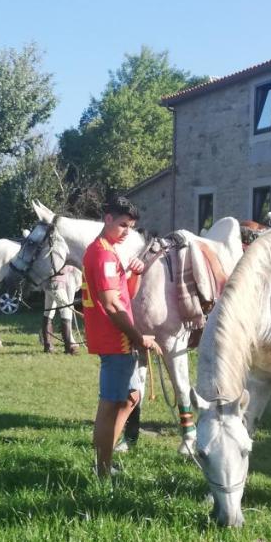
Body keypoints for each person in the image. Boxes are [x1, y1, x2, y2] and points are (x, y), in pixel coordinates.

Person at [81, 195, 160, 478]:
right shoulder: (102, 254)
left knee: (131, 398)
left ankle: (104, 455)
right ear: (108, 219)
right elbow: (112, 304)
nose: (127, 231)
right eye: (123, 225)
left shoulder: (109, 251)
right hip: (115, 340)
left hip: (119, 339)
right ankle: (102, 469)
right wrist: (139, 337)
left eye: (132, 227)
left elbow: (125, 296)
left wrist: (134, 275)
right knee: (110, 404)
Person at [40, 263, 82, 355]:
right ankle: (69, 347)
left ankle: (48, 346)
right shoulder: (60, 254)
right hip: (57, 285)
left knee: (48, 314)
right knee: (66, 312)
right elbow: (62, 270)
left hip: (49, 284)